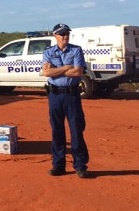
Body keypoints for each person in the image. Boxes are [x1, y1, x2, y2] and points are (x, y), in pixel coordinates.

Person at [41, 23, 90, 178]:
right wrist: (65, 67)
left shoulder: (76, 50)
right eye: (62, 34)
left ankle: (80, 165)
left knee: (76, 130)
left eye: (67, 34)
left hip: (71, 95)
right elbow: (46, 72)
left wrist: (56, 70)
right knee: (57, 130)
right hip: (54, 95)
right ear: (55, 35)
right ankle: (58, 164)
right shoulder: (48, 52)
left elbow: (78, 71)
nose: (65, 36)